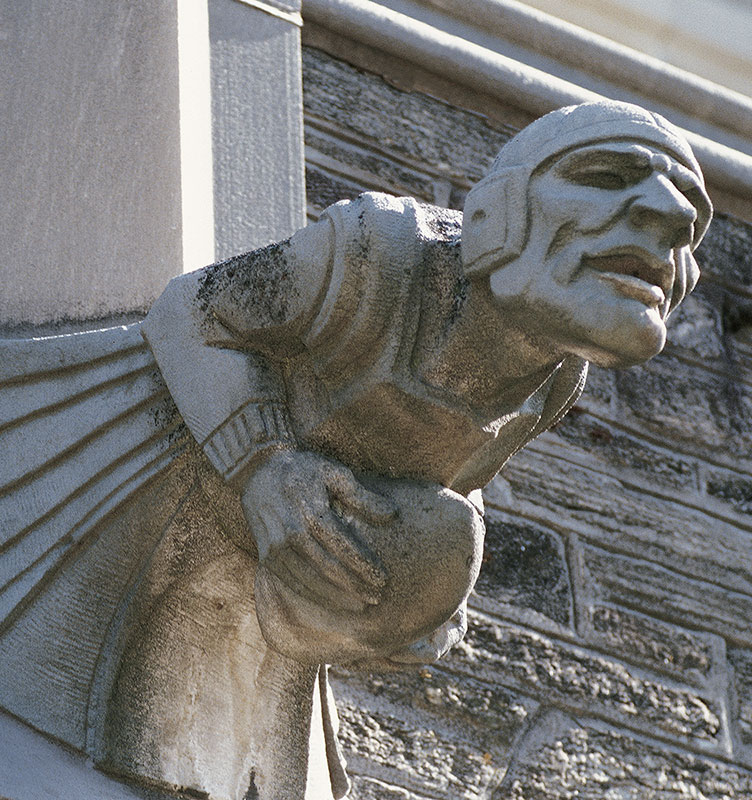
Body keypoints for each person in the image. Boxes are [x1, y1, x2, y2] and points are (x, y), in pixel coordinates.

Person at [139, 99, 711, 798]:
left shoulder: (556, 377)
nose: (675, 217)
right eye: (605, 174)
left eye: (693, 211)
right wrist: (263, 464)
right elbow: (189, 312)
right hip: (152, 476)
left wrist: (430, 598)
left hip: (277, 577)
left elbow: (448, 476)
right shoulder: (374, 252)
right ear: (495, 215)